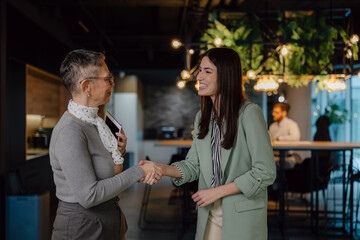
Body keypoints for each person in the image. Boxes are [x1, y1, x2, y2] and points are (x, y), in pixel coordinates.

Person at [140, 47, 276, 240]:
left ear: (226, 76)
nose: (199, 77)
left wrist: (216, 192)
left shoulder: (249, 113)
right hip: (210, 214)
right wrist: (159, 168)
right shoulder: (202, 118)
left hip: (242, 216)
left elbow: (265, 171)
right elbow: (193, 166)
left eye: (207, 71)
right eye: (200, 70)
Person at [50, 49, 163, 240]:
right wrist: (139, 172)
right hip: (83, 231)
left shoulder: (96, 121)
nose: (112, 83)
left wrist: (118, 151)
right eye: (107, 78)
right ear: (86, 86)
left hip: (108, 225)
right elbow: (89, 196)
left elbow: (107, 174)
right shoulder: (70, 131)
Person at [269, 102, 301, 168]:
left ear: (284, 113)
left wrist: (279, 139)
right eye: (273, 112)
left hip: (287, 159)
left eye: (276, 112)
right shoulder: (272, 126)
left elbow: (295, 138)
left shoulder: (291, 124)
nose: (273, 114)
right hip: (273, 158)